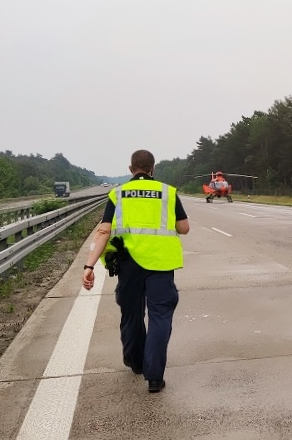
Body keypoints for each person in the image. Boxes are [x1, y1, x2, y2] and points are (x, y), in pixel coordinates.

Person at [81, 150, 189, 393]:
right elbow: (184, 228)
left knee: (131, 314)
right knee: (160, 316)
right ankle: (154, 377)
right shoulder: (167, 192)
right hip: (160, 263)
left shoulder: (118, 194)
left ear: (131, 169)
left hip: (128, 264)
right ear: (153, 169)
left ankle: (136, 362)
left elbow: (103, 231)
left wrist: (89, 266)